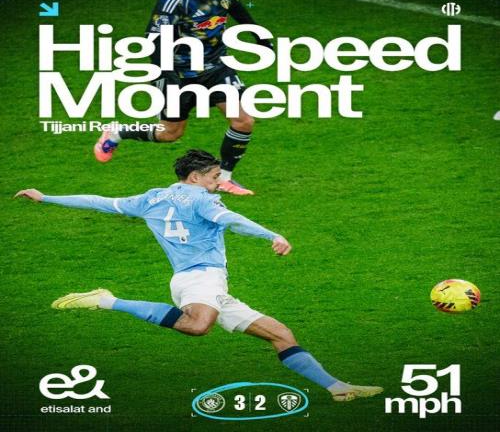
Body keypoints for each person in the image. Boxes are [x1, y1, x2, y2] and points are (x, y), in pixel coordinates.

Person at [15, 149, 383, 402]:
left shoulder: (152, 197)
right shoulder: (203, 199)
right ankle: (107, 300)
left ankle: (337, 387)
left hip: (203, 284)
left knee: (280, 334)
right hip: (200, 280)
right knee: (197, 325)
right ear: (195, 177)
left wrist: (47, 197)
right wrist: (272, 234)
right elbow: (232, 220)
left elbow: (99, 202)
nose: (219, 182)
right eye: (214, 177)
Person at [95, 0, 273, 196]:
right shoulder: (173, 1)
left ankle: (224, 179)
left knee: (243, 120)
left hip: (216, 67)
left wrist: (261, 37)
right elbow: (154, 40)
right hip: (178, 73)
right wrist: (166, 72)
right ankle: (117, 133)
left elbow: (237, 10)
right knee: (170, 133)